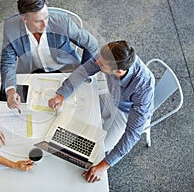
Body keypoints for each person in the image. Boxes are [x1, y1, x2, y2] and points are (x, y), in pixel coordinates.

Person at [48, 40, 155, 183]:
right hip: (113, 97)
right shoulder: (110, 55)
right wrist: (62, 94)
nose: (96, 62)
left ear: (118, 71)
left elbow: (132, 134)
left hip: (127, 113)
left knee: (99, 148)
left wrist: (103, 166)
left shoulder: (143, 87)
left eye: (102, 64)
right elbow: (84, 71)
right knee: (78, 109)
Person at [0, 0, 99, 111]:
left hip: (66, 69)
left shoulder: (63, 23)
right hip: (32, 71)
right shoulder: (10, 28)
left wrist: (84, 71)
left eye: (46, 17)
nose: (45, 24)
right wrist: (10, 91)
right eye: (38, 21)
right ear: (24, 19)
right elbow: (8, 61)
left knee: (75, 110)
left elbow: (92, 44)